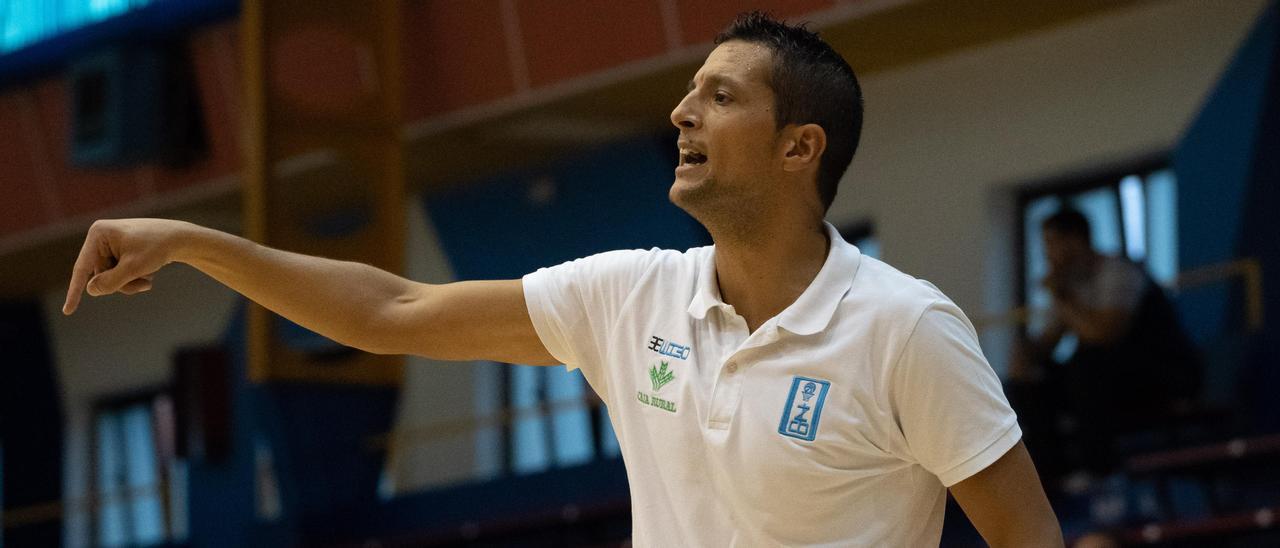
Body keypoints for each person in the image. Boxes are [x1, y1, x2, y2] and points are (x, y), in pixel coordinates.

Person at [62, 12, 1062, 547]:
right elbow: (392, 308)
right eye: (688, 91)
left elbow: (1025, 534)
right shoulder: (629, 296)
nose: (681, 112)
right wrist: (193, 242)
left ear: (801, 147)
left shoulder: (902, 327)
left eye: (719, 97)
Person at [1012, 207, 1201, 479]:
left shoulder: (1119, 272)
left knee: (1086, 364)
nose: (1048, 254)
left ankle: (1099, 471)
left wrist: (1063, 298)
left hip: (1163, 375)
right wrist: (1023, 355)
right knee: (1029, 386)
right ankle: (1050, 478)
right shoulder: (1071, 285)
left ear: (1076, 240)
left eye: (1052, 243)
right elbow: (1047, 345)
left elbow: (1104, 334)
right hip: (1107, 379)